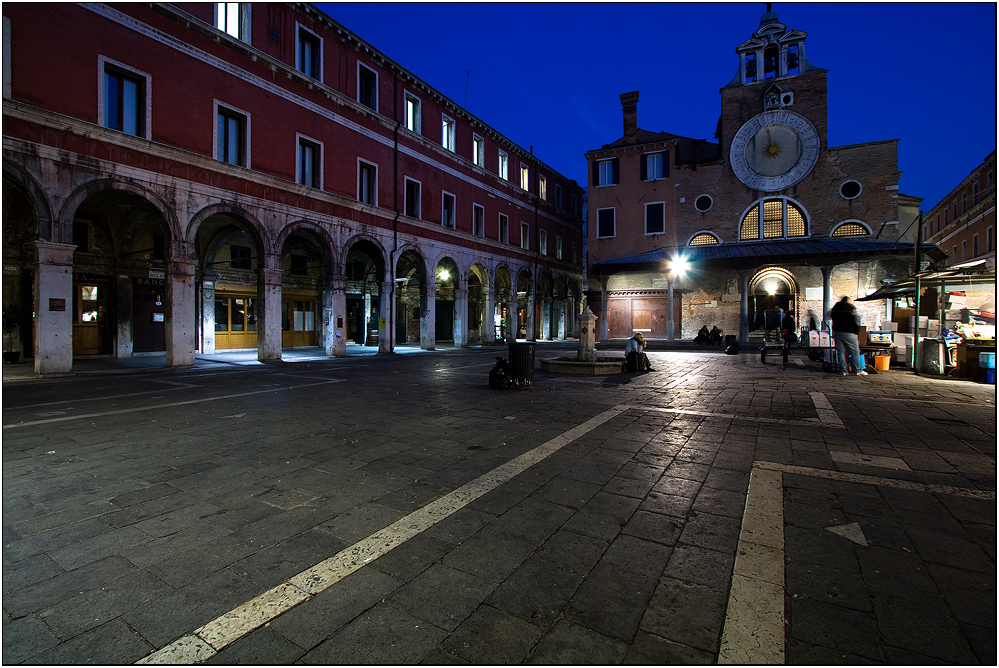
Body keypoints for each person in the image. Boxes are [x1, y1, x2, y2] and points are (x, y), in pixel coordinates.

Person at [829, 296, 867, 376]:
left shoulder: (835, 308)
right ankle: (857, 370)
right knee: (854, 351)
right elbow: (856, 320)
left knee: (841, 352)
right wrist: (857, 330)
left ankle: (843, 371)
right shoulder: (850, 308)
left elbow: (829, 316)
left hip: (838, 332)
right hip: (849, 332)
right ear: (847, 301)